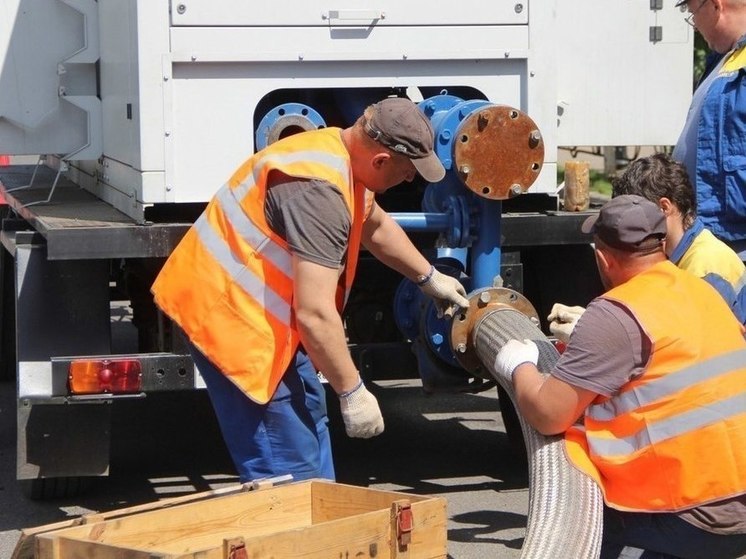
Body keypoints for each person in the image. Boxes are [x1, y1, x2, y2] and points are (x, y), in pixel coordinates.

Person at [151, 97, 470, 483]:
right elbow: (315, 314)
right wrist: (352, 391)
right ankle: (297, 532)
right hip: (232, 320)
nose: (408, 181)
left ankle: (321, 524)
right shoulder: (319, 194)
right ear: (381, 160)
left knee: (310, 414)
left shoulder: (338, 153)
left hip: (260, 314)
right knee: (288, 467)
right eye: (406, 172)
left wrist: (428, 278)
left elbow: (375, 225)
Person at [495, 195, 746, 559]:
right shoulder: (702, 291)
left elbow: (548, 414)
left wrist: (518, 365)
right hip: (737, 506)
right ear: (662, 244)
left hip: (687, 516)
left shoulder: (617, 314)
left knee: (578, 518)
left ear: (602, 257)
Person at [549, 154, 746, 341]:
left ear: (665, 207)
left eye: (636, 213)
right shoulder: (678, 256)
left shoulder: (706, 265)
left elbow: (691, 341)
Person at [672, 0, 746, 259]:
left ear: (715, 6)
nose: (694, 26)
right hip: (714, 239)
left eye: (693, 13)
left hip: (736, 241)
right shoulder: (726, 59)